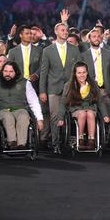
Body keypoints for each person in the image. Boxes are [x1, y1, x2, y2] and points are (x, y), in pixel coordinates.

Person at [39, 22, 81, 153]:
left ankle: (72, 141)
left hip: (71, 88)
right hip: (53, 88)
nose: (65, 32)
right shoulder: (47, 51)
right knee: (55, 116)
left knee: (73, 115)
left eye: (66, 30)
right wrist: (42, 91)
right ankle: (55, 143)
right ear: (56, 32)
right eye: (62, 30)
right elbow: (43, 72)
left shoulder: (74, 49)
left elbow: (80, 69)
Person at [0, 60, 44, 149]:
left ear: (16, 72)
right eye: (5, 71)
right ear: (2, 72)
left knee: (24, 116)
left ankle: (21, 144)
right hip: (1, 110)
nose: (8, 74)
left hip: (20, 109)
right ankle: (12, 142)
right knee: (8, 116)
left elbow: (34, 102)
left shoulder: (25, 83)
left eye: (11, 72)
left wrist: (39, 119)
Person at [59, 61, 109, 150]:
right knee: (82, 113)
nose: (82, 75)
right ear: (75, 74)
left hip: (90, 108)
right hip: (76, 109)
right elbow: (63, 102)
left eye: (84, 72)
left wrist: (105, 115)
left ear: (87, 73)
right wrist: (60, 118)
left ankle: (91, 140)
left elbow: (100, 101)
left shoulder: (93, 84)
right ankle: (80, 138)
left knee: (89, 113)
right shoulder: (69, 85)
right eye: (79, 73)